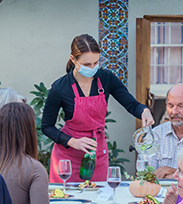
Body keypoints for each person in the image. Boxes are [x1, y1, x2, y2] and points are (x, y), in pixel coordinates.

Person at [42, 33, 154, 183]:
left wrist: (144, 111)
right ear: (73, 59)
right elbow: (47, 126)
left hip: (97, 152)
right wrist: (72, 141)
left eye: (96, 62)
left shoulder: (106, 78)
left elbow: (131, 104)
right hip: (68, 156)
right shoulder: (60, 88)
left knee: (98, 198)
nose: (93, 68)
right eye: (87, 64)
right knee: (66, 199)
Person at [149, 83, 183, 179]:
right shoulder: (155, 135)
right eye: (171, 105)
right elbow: (147, 177)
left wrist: (169, 171)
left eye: (181, 106)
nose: (174, 111)